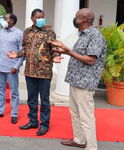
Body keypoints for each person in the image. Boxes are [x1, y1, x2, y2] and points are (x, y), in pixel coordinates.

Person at [49, 8, 106, 150]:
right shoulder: (83, 35)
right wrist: (64, 51)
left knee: (86, 117)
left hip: (85, 82)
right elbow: (78, 54)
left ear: (85, 19)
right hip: (76, 80)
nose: (75, 19)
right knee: (74, 113)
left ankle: (91, 147)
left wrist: (68, 51)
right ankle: (79, 140)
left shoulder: (95, 36)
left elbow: (91, 60)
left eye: (77, 17)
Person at [7, 9, 62, 136]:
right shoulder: (27, 32)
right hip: (30, 71)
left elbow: (54, 48)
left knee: (44, 100)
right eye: (38, 17)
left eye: (43, 17)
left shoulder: (49, 32)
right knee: (31, 99)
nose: (41, 19)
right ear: (32, 18)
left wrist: (56, 56)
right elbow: (25, 49)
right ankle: (32, 121)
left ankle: (44, 124)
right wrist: (17, 54)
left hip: (44, 72)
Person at [0, 13, 24, 124]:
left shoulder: (19, 34)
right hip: (0, 66)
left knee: (14, 92)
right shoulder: (2, 32)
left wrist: (16, 66)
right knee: (0, 91)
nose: (3, 20)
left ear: (12, 21)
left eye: (5, 19)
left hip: (11, 68)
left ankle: (14, 114)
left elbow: (22, 52)